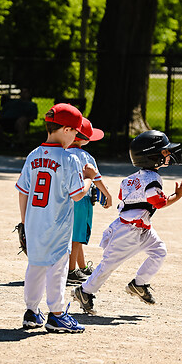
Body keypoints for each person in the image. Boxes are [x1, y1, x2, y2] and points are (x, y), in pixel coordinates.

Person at [71, 130, 182, 315]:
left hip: (140, 228)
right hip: (128, 231)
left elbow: (122, 196)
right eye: (165, 152)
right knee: (109, 265)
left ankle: (139, 284)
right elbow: (159, 202)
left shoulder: (131, 178)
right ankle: (84, 291)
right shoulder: (152, 180)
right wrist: (178, 196)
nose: (168, 155)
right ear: (152, 156)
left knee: (159, 251)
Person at [15, 103, 98, 333]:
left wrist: (24, 223)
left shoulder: (33, 155)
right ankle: (57, 314)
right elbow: (78, 193)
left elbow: (23, 191)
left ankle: (31, 311)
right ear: (66, 130)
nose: (76, 136)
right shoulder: (69, 158)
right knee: (57, 268)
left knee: (35, 266)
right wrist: (89, 177)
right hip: (58, 225)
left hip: (34, 224)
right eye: (75, 131)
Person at [66, 117, 112, 285]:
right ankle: (71, 271)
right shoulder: (86, 156)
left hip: (65, 200)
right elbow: (97, 179)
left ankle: (82, 267)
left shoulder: (64, 153)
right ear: (83, 139)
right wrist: (107, 195)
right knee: (78, 236)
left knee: (74, 235)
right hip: (82, 200)